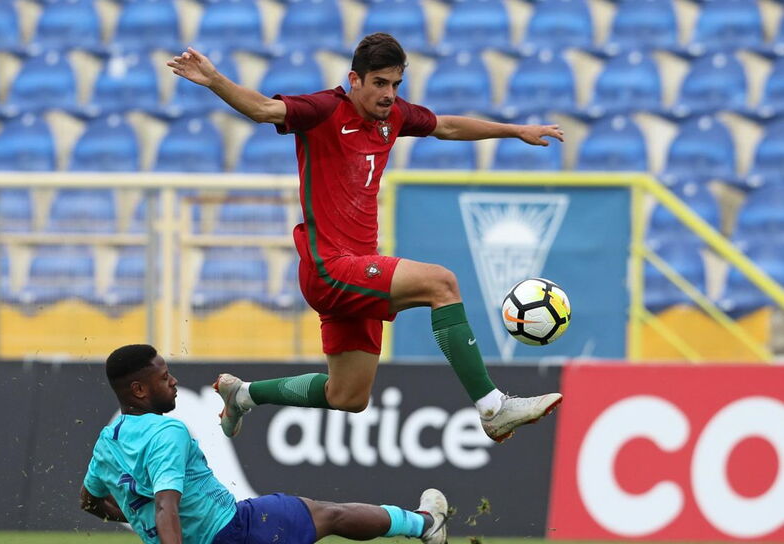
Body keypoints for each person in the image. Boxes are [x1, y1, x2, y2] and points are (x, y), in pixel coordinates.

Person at [167, 33, 564, 444]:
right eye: (379, 83)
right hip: (330, 267)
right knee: (441, 283)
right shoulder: (322, 110)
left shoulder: (392, 117)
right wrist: (214, 79)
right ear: (354, 79)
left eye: (395, 85)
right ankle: (492, 407)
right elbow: (263, 108)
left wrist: (515, 130)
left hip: (355, 271)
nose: (389, 94)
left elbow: (445, 126)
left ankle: (242, 395)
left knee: (348, 395)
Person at [80, 344, 450, 544]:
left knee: (281, 540)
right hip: (235, 533)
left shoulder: (106, 444)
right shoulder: (166, 433)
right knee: (326, 514)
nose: (174, 382)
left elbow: (89, 503)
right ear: (139, 390)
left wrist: (139, 522)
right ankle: (425, 524)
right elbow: (166, 504)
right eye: (163, 377)